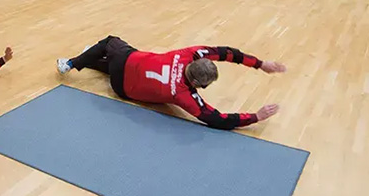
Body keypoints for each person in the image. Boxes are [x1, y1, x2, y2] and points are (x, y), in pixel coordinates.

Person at [56, 36, 286, 130]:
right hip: (123, 89)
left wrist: (260, 63)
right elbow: (216, 119)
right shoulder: (184, 96)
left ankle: (74, 62)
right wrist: (256, 116)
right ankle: (85, 60)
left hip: (127, 61)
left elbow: (227, 52)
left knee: (110, 42)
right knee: (112, 62)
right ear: (198, 85)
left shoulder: (188, 53)